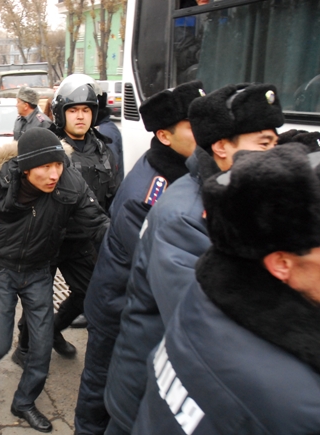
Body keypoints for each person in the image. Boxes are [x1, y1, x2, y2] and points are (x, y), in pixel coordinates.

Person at [103, 83, 283, 435]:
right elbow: (200, 322)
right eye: (263, 144)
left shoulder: (233, 197)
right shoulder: (183, 213)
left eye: (276, 143)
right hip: (152, 389)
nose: (275, 154)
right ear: (220, 147)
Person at [133, 145, 320, 434]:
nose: (267, 147)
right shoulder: (296, 404)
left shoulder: (209, 297)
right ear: (282, 263)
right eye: (262, 138)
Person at [74, 81, 204, 434]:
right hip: (117, 307)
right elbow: (156, 266)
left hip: (136, 306)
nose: (205, 133)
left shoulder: (181, 173)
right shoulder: (149, 192)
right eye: (193, 126)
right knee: (100, 384)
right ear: (164, 135)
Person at [0, 127, 109, 433]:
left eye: (58, 165)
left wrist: (130, 241)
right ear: (26, 168)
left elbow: (97, 222)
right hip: (1, 270)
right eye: (45, 167)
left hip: (40, 271)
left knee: (41, 346)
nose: (54, 174)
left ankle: (24, 401)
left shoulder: (71, 184)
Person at [12, 74, 120, 365]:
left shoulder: (103, 149)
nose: (80, 116)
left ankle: (56, 330)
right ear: (62, 113)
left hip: (83, 238)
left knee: (90, 291)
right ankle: (24, 347)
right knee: (39, 299)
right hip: (46, 237)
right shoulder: (47, 145)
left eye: (86, 110)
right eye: (73, 110)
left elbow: (112, 194)